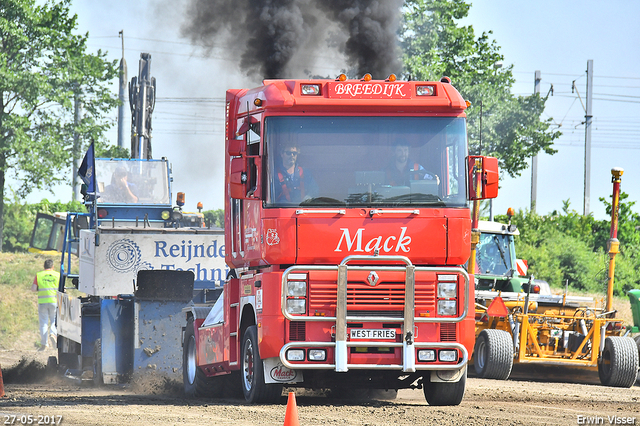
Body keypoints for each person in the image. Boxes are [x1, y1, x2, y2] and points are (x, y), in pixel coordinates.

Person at [31, 259, 60, 350]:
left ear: (44, 267)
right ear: (53, 267)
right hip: (54, 301)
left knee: (43, 323)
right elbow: (62, 289)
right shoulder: (57, 275)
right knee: (54, 321)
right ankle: (53, 333)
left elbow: (33, 289)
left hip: (42, 302)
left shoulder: (39, 275)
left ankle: (44, 344)